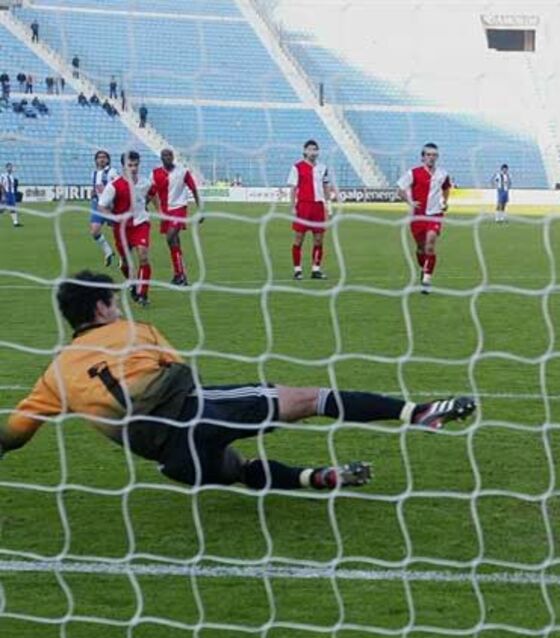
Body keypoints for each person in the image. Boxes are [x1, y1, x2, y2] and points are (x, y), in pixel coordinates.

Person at [0, 271, 477, 490]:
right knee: (312, 398)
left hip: (172, 461)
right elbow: (179, 372)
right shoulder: (134, 331)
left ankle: (319, 478)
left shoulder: (53, 375)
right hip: (199, 412)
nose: (118, 307)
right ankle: (417, 413)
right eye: (114, 301)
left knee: (240, 471)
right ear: (102, 308)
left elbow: (15, 435)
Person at [98, 151, 155, 305]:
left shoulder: (145, 182)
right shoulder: (114, 186)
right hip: (121, 228)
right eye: (130, 165)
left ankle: (142, 294)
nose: (134, 168)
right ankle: (132, 284)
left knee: (143, 255)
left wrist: (150, 208)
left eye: (136, 165)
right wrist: (112, 217)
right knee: (126, 262)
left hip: (141, 223)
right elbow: (102, 206)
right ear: (123, 166)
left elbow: (152, 194)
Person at [397, 142, 451, 295]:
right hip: (417, 216)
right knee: (421, 248)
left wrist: (445, 201)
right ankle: (424, 267)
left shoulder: (442, 174)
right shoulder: (413, 173)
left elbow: (446, 188)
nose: (431, 158)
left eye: (434, 155)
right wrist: (410, 201)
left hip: (435, 215)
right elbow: (400, 189)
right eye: (428, 155)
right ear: (422, 157)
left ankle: (427, 279)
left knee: (430, 244)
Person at [152, 148, 202, 286]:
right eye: (164, 155)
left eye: (169, 155)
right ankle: (180, 275)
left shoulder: (183, 171)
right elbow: (151, 192)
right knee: (174, 243)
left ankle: (180, 274)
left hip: (179, 209)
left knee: (170, 237)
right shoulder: (155, 173)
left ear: (173, 157)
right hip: (165, 211)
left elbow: (193, 189)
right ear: (161, 158)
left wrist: (200, 209)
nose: (167, 157)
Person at [287, 139, 336, 280]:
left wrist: (329, 207)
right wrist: (293, 207)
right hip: (303, 205)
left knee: (319, 239)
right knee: (298, 239)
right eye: (310, 149)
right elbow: (293, 188)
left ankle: (316, 269)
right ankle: (297, 269)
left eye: (315, 149)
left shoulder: (322, 167)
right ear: (304, 151)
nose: (313, 152)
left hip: (318, 207)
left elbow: (326, 187)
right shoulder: (297, 167)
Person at [89, 150, 119, 267]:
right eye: (99, 157)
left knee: (118, 233)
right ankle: (108, 251)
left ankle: (124, 256)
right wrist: (93, 193)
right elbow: (95, 188)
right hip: (97, 205)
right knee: (94, 231)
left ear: (108, 159)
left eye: (104, 157)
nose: (101, 159)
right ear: (96, 160)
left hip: (110, 206)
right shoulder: (94, 173)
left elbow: (118, 186)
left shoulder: (112, 172)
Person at [1, 163, 22, 227]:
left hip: (11, 194)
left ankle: (15, 223)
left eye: (11, 167)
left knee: (12, 208)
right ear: (6, 168)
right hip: (6, 193)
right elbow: (1, 185)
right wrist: (3, 195)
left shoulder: (12, 176)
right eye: (9, 167)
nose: (10, 168)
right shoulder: (3, 176)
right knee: (2, 209)